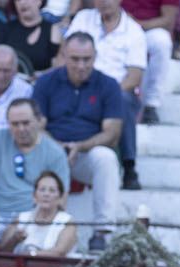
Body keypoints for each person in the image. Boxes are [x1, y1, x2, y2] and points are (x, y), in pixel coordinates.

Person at [32, 31, 126, 238]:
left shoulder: (108, 85)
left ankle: (103, 231)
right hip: (50, 150)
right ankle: (26, 227)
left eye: (87, 59)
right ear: (64, 55)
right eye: (75, 59)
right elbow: (36, 126)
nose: (81, 65)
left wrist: (79, 147)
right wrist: (58, 148)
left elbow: (112, 133)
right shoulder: (46, 82)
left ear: (95, 57)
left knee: (106, 158)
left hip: (86, 153)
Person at [61, 9, 141, 191]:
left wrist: (106, 94)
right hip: (77, 82)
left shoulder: (134, 30)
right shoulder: (83, 18)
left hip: (115, 90)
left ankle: (129, 166)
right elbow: (65, 53)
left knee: (122, 100)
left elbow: (135, 77)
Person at [0, 98, 70, 225]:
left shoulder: (55, 152)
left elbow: (61, 200)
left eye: (26, 123)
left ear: (39, 121)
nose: (21, 129)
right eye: (15, 124)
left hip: (33, 220)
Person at [0, 169, 77, 256]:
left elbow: (60, 252)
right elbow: (2, 251)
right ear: (34, 196)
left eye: (52, 190)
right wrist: (14, 239)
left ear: (60, 198)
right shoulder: (22, 218)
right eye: (42, 190)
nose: (46, 194)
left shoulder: (67, 221)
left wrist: (31, 255)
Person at [120, 0, 174, 122]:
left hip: (148, 29)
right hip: (117, 25)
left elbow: (168, 19)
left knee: (162, 42)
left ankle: (151, 104)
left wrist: (138, 24)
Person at [0, 0, 61, 77]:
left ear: (39, 1)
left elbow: (57, 67)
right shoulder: (6, 29)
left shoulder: (52, 30)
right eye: (18, 0)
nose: (22, 3)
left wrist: (41, 75)